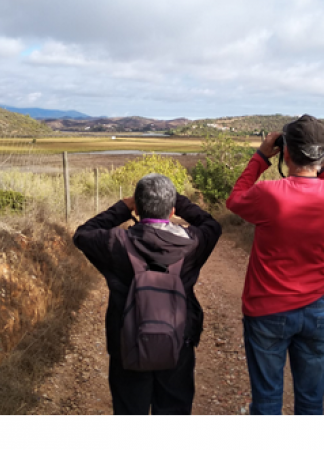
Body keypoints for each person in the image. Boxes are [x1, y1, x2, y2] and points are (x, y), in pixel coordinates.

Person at [226, 114, 324, 415]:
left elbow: (234, 200)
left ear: (285, 153)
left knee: (268, 401)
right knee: (311, 402)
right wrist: (323, 163)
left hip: (267, 310)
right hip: (319, 312)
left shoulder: (269, 194)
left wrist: (260, 157)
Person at [73, 173, 222, 415]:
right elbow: (212, 225)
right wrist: (179, 199)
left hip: (127, 340)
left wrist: (123, 207)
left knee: (131, 410)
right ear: (172, 211)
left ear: (138, 210)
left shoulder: (116, 242)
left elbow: (83, 233)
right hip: (178, 339)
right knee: (174, 409)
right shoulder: (192, 243)